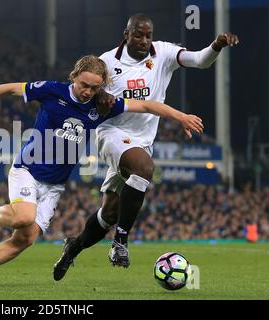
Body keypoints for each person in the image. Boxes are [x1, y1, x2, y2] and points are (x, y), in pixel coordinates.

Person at [0, 55, 203, 288]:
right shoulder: (51, 91)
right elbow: (10, 88)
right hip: (28, 170)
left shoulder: (102, 106)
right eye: (83, 85)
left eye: (94, 87)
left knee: (24, 239)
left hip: (54, 185)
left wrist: (180, 117)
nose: (87, 91)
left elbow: (147, 106)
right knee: (23, 217)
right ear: (74, 77)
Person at [53, 13, 239, 281]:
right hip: (112, 133)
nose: (143, 40)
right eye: (138, 34)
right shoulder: (107, 62)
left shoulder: (163, 53)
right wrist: (100, 94)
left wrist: (217, 45)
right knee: (144, 168)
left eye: (147, 35)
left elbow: (200, 60)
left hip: (142, 142)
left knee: (108, 214)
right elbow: (86, 90)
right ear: (126, 34)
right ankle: (121, 241)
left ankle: (74, 247)